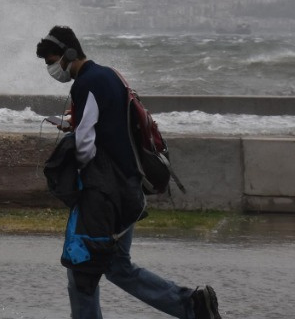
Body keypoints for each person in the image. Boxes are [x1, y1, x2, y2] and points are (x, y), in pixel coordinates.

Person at [37, 25, 222, 319]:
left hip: (107, 195)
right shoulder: (110, 75)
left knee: (82, 267)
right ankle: (193, 305)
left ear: (69, 53)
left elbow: (86, 142)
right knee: (117, 266)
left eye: (51, 60)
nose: (51, 68)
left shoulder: (86, 84)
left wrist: (80, 166)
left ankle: (191, 305)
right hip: (128, 189)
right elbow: (111, 126)